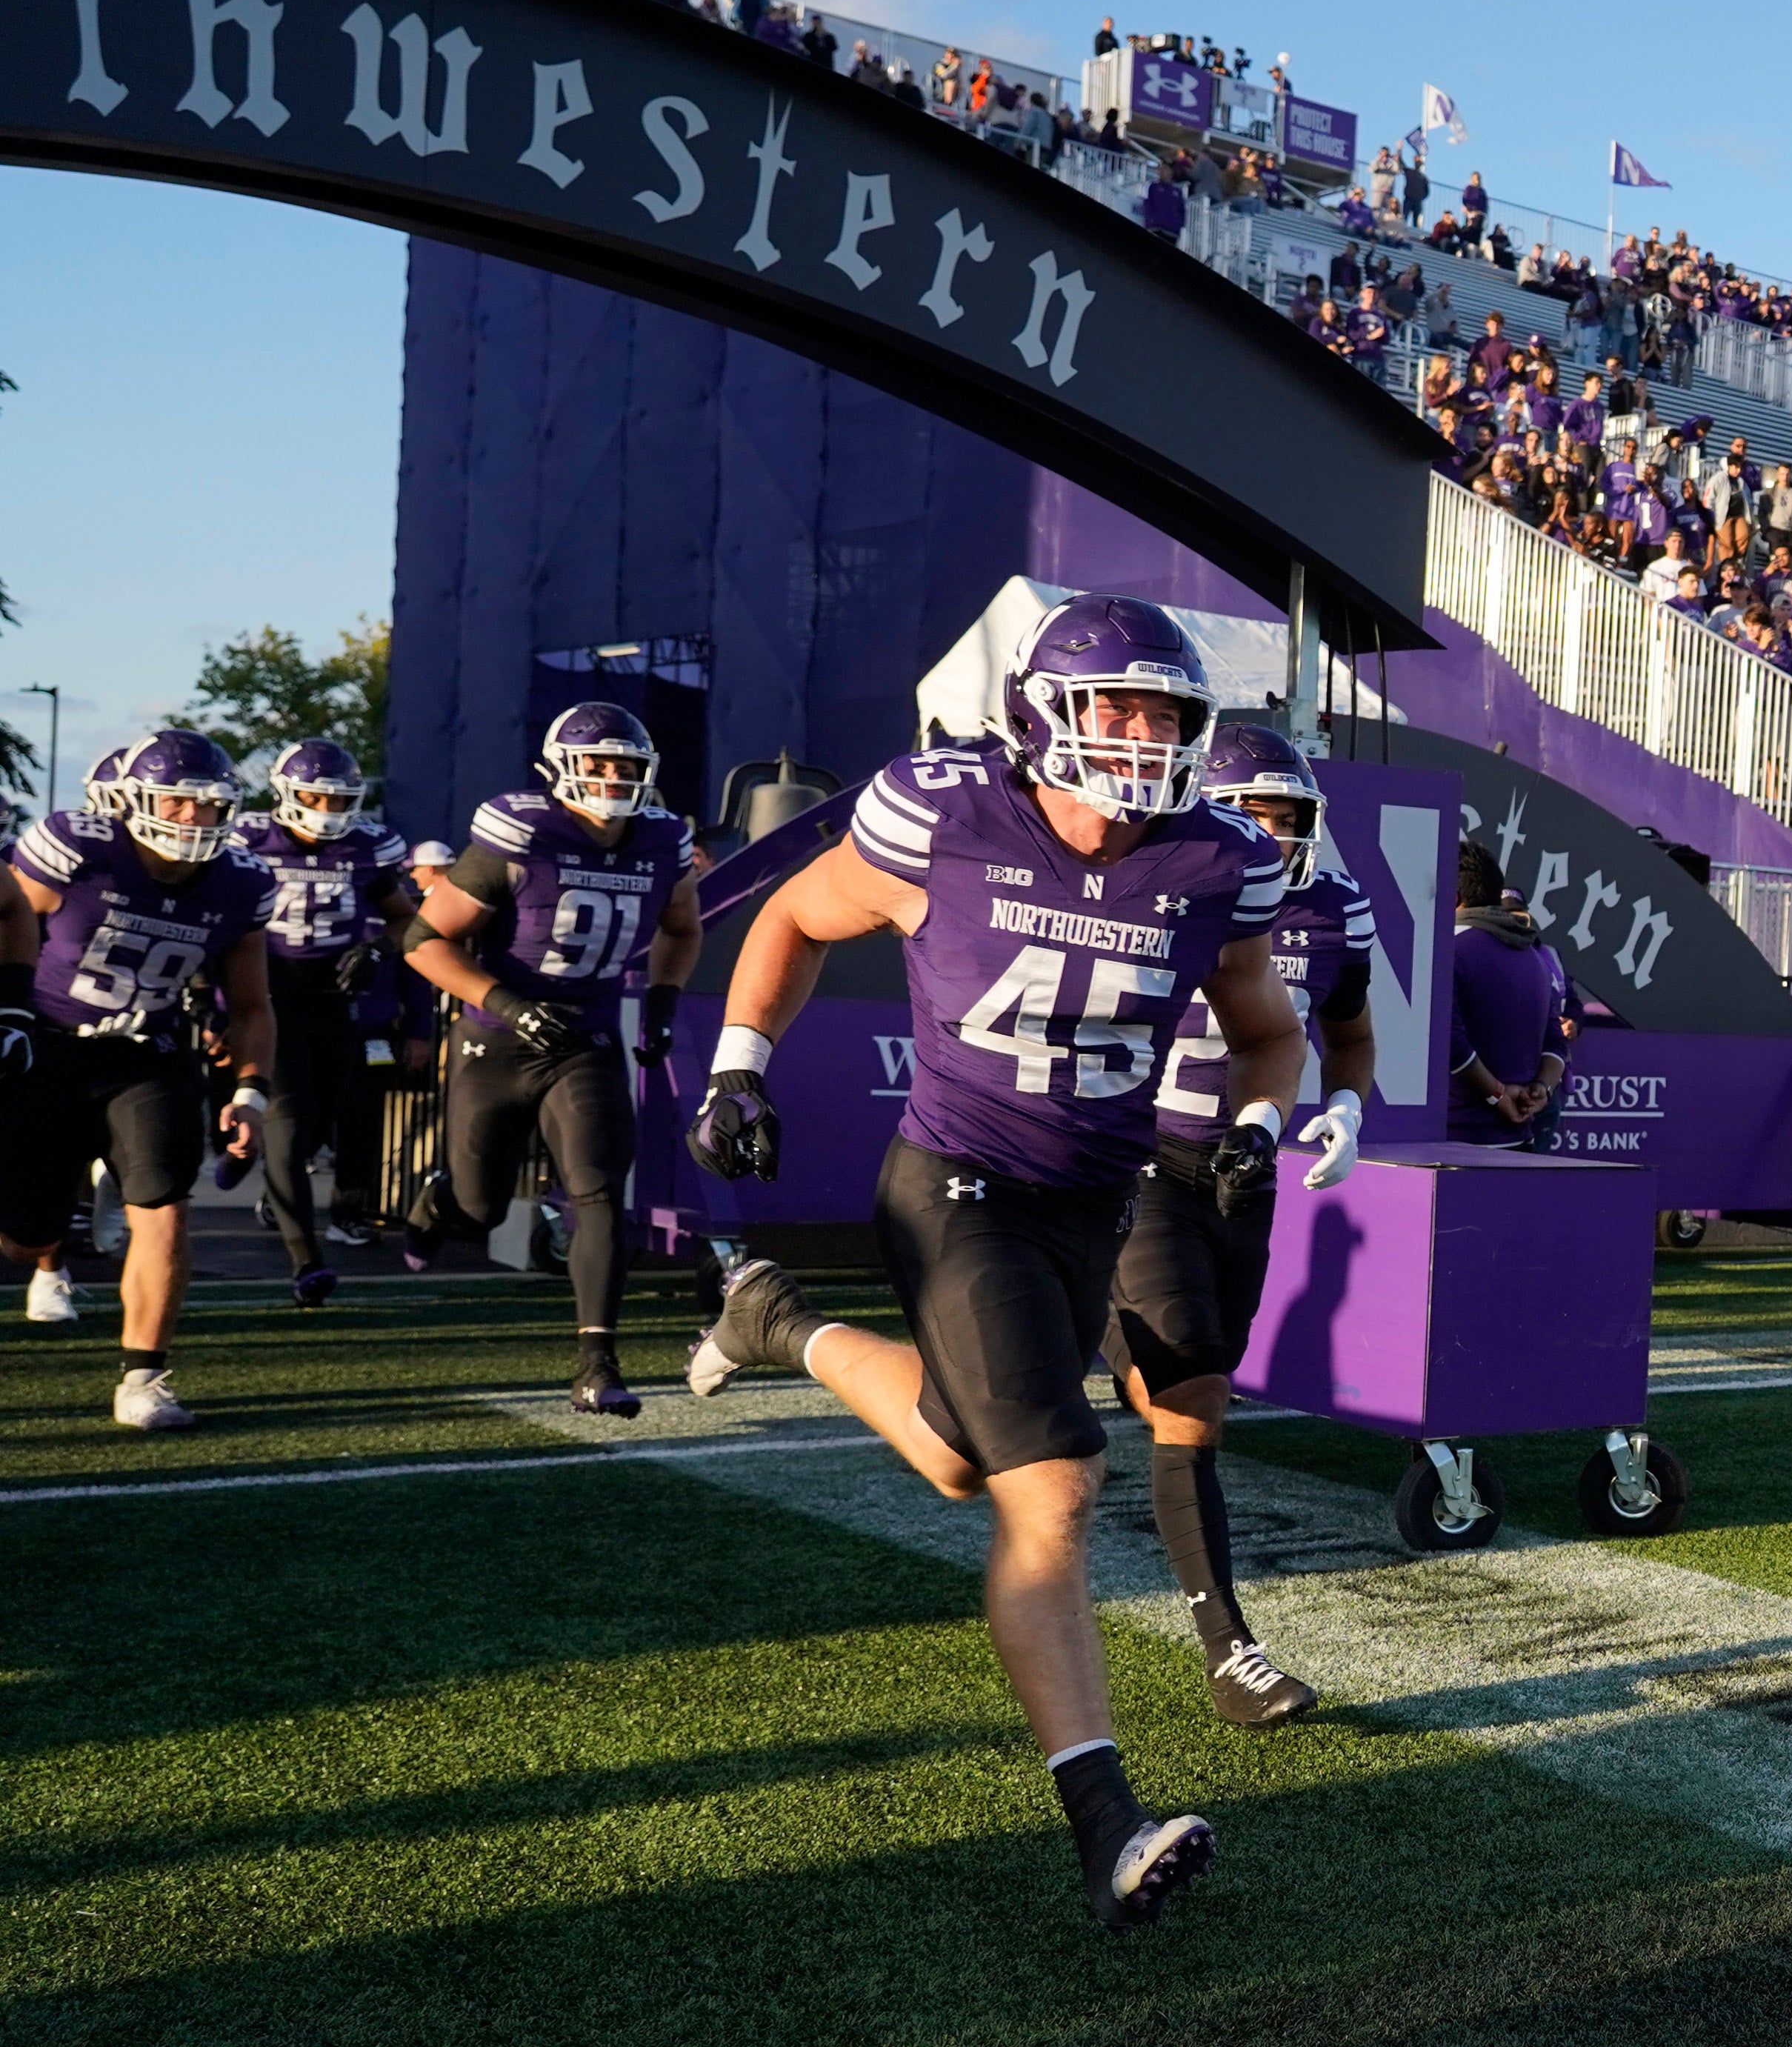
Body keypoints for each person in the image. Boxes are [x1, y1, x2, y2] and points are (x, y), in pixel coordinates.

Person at [681, 595, 1301, 1931]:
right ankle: (1105, 1826)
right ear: (1041, 715)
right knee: (1058, 1484)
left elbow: (1266, 1028)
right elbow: (790, 917)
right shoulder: (943, 814)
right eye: (1117, 707)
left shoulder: (1214, 860)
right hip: (958, 1185)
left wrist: (1258, 1124)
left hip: (1095, 1199)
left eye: (1167, 713)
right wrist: (740, 1065)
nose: (1144, 737)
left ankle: (777, 1319)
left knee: (965, 1456)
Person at [1108, 722, 1380, 1729]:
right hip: (1139, 1159)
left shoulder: (1334, 905)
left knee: (1188, 1383)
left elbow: (1349, 1035)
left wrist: (1346, 1109)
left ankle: (1093, 1312)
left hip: (1245, 1168)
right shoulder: (1155, 878)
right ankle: (1231, 1652)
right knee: (1193, 1404)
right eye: (1249, 813)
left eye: (1285, 816)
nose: (1268, 833)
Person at [402, 700, 702, 1414]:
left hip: (583, 1038)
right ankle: (440, 1196)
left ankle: (597, 1364)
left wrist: (660, 1001)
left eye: (623, 764)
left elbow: (682, 928)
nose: (610, 775)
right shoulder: (521, 832)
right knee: (481, 1208)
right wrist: (509, 1004)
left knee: (598, 1191)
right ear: (559, 768)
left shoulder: (661, 839)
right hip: (496, 1039)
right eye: (595, 762)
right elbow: (422, 940)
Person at [1, 731, 273, 1428]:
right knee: (25, 1236)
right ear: (134, 801)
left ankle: (143, 1377)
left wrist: (249, 1090)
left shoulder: (242, 881)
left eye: (209, 808)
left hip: (144, 1056)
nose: (194, 820)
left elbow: (249, 1004)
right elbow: (6, 923)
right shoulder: (79, 847)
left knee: (164, 1208)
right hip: (47, 1048)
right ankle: (44, 1254)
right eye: (178, 805)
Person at [227, 737, 413, 1308]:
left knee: (317, 1120)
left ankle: (255, 1167)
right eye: (315, 797)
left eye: (339, 799)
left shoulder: (368, 848)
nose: (328, 810)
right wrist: (212, 1002)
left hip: (335, 997)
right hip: (269, 991)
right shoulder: (250, 842)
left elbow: (408, 921)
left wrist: (380, 948)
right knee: (285, 1121)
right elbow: (220, 924)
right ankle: (306, 1260)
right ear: (286, 793)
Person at [1449, 842, 1571, 1138]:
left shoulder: (1446, 950)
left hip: (1453, 1144)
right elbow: (1555, 1042)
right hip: (1516, 1142)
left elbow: (1449, 1043)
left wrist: (1498, 1095)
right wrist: (1542, 1088)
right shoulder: (1537, 958)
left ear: (1454, 898)